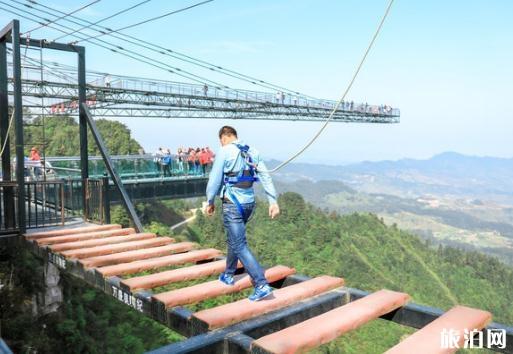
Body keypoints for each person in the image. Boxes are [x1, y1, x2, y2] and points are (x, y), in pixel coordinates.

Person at [205, 126, 280, 301]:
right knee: (235, 239)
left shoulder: (224, 151)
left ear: (223, 138)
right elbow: (265, 176)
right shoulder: (252, 151)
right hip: (248, 204)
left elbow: (214, 180)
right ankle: (229, 274)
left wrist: (209, 201)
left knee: (239, 244)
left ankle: (261, 284)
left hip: (232, 203)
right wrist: (273, 201)